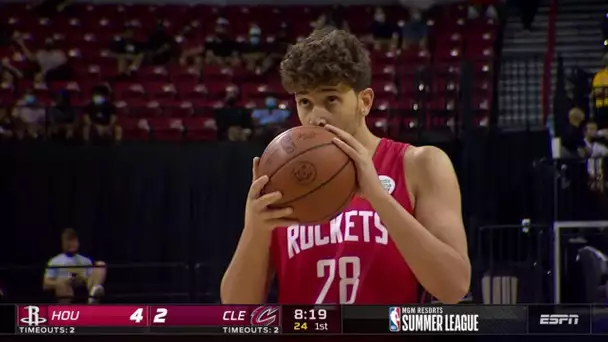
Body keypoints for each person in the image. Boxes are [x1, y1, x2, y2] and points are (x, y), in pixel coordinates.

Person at [221, 28, 470, 305]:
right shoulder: (281, 179)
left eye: (331, 99)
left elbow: (454, 287)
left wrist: (379, 197)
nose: (316, 116)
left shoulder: (420, 164)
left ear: (364, 101)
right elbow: (237, 311)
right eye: (305, 102)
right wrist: (254, 230)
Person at [43, 228, 106, 304]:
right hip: (65, 289)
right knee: (62, 284)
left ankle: (93, 299)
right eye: (68, 241)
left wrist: (83, 279)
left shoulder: (85, 260)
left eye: (74, 241)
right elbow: (46, 284)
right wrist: (61, 282)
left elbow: (91, 278)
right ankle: (65, 311)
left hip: (84, 287)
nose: (71, 244)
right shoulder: (54, 261)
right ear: (63, 243)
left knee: (101, 265)